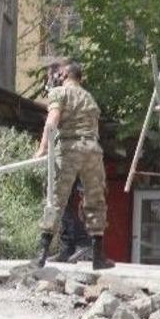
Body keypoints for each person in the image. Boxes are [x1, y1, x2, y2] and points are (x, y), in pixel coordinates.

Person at [34, 61, 114, 270]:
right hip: (92, 151)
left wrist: (42, 148)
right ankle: (98, 256)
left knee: (56, 199)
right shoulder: (89, 97)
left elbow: (52, 121)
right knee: (95, 201)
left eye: (60, 73)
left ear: (68, 74)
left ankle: (41, 254)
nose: (57, 76)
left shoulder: (60, 93)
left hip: (69, 151)